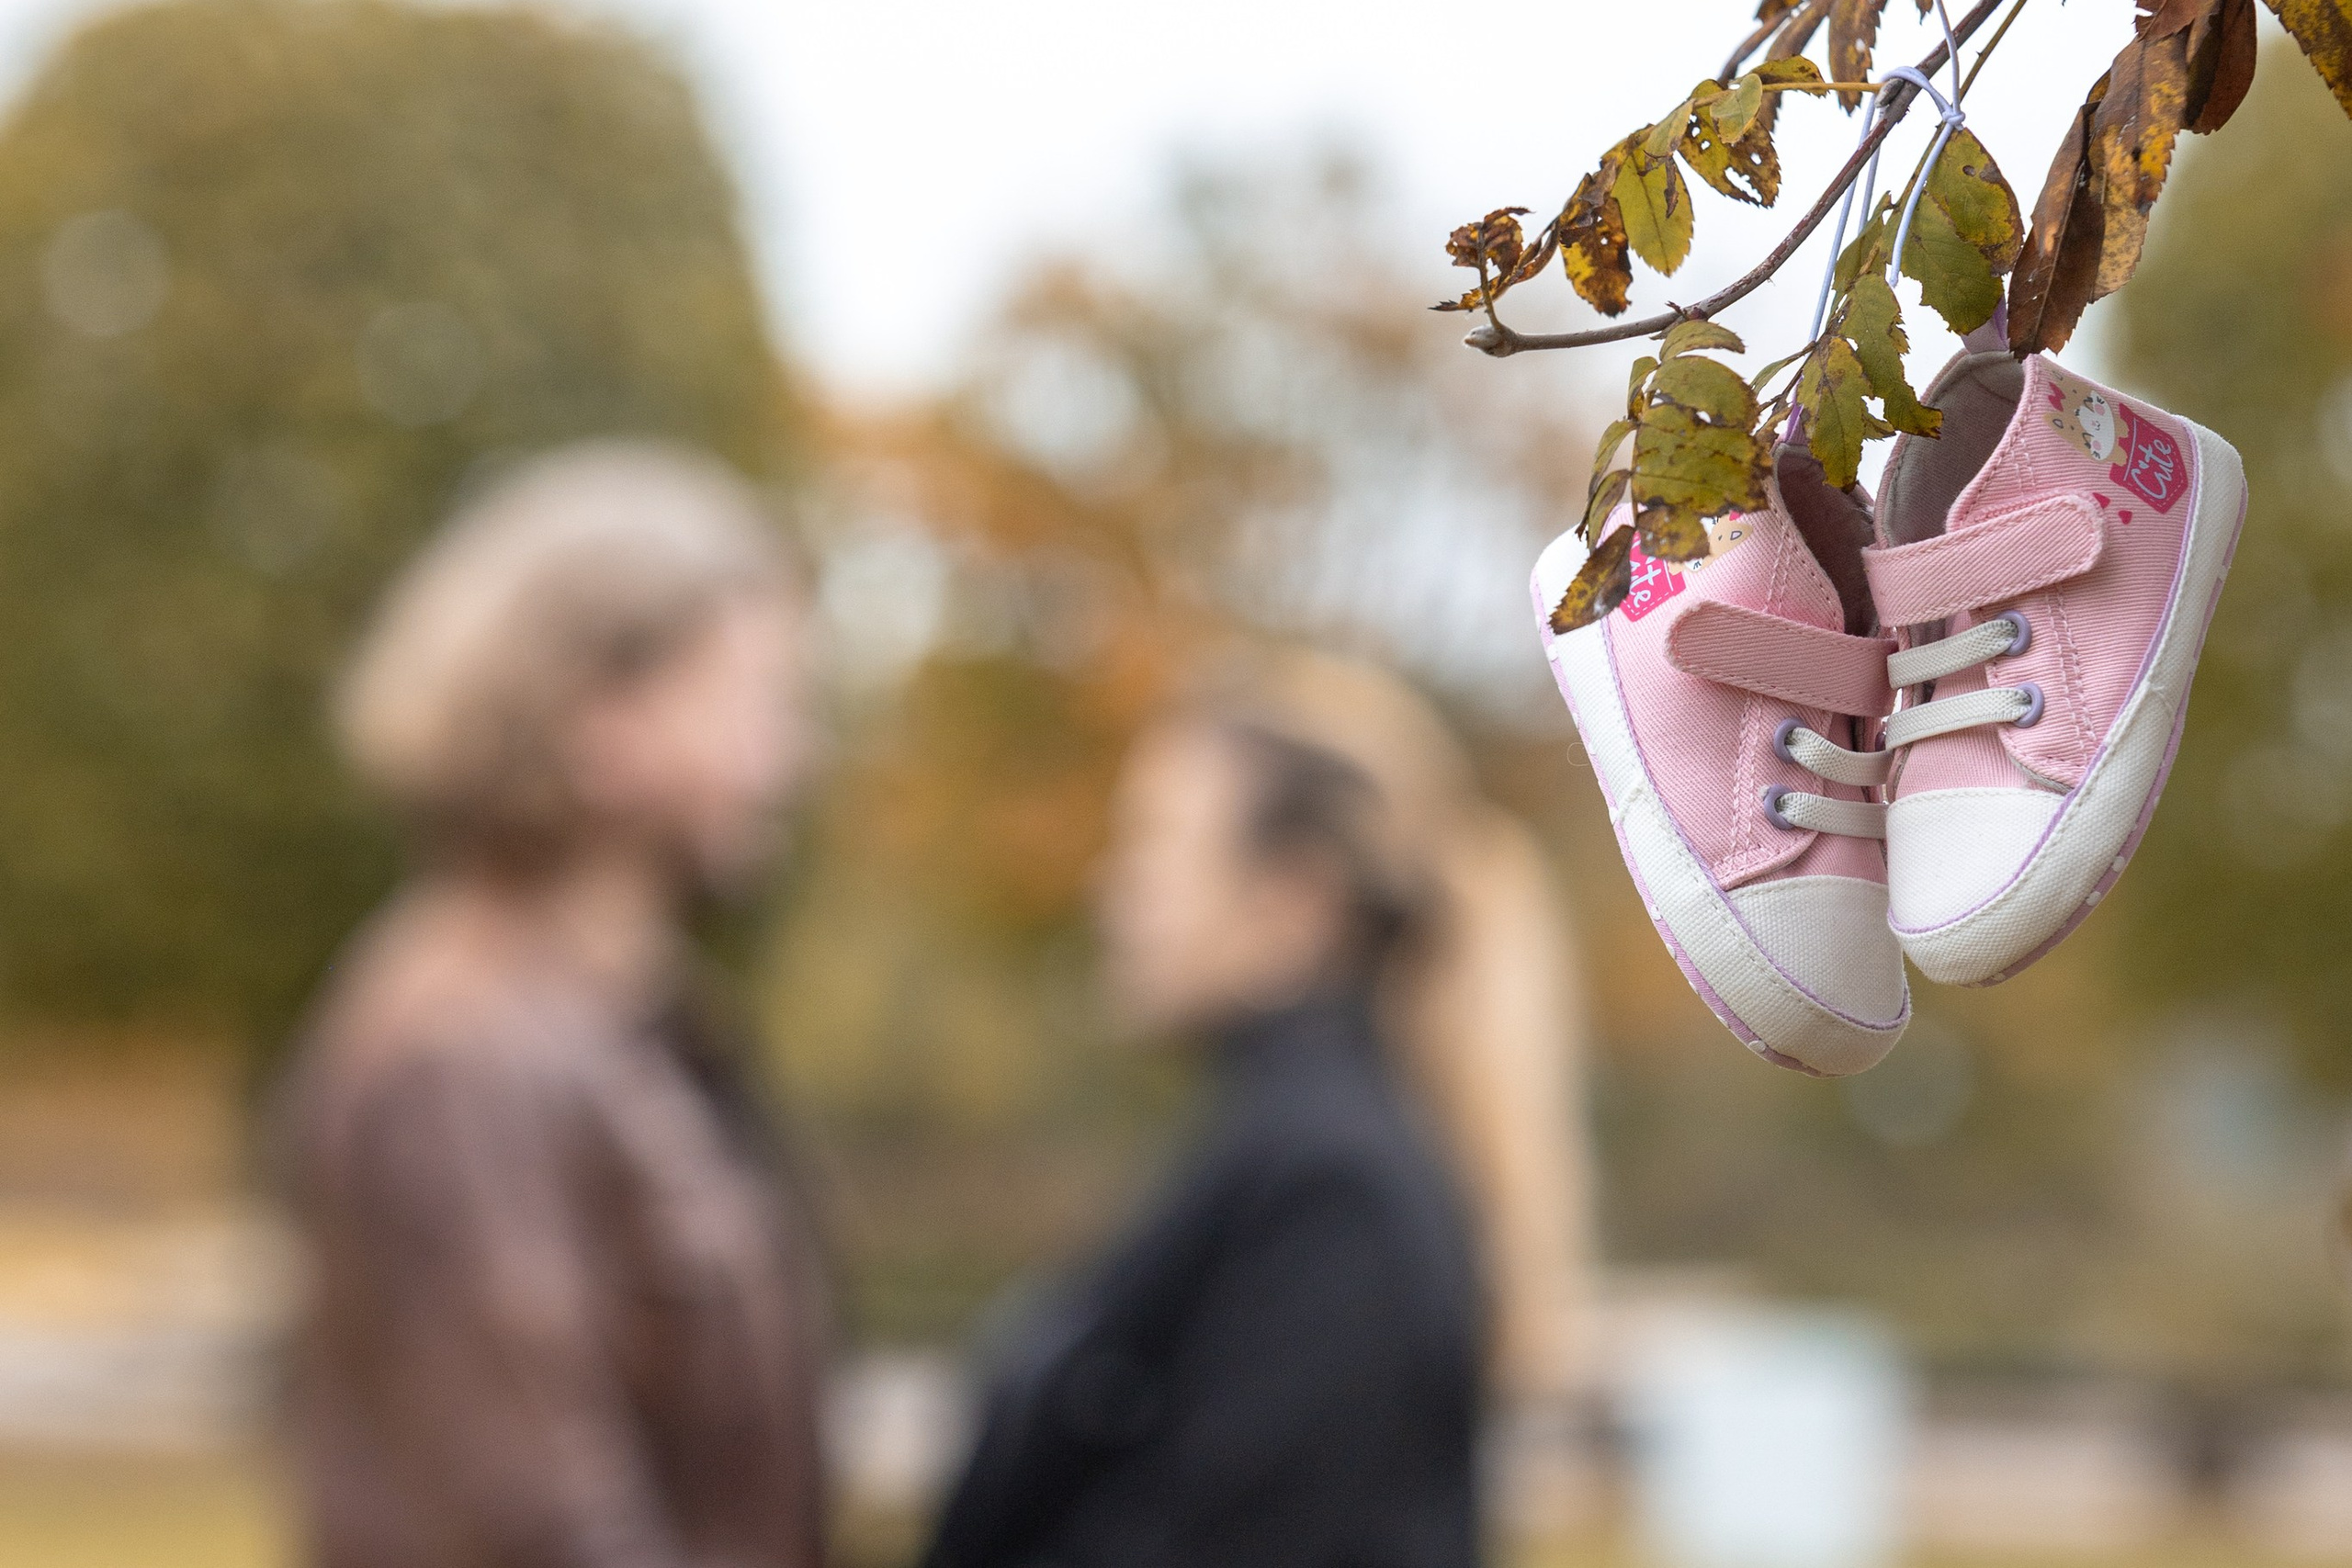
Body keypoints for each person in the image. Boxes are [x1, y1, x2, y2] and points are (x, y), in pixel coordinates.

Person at [277, 443, 827, 1568]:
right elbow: (540, 1528)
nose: (789, 755)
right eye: (754, 697)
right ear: (599, 720)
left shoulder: (632, 1028)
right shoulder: (463, 1056)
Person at [921, 651, 1596, 1568]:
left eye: (1153, 844)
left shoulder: (1332, 1195)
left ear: (1294, 901)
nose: (1114, 890)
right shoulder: (1285, 1156)